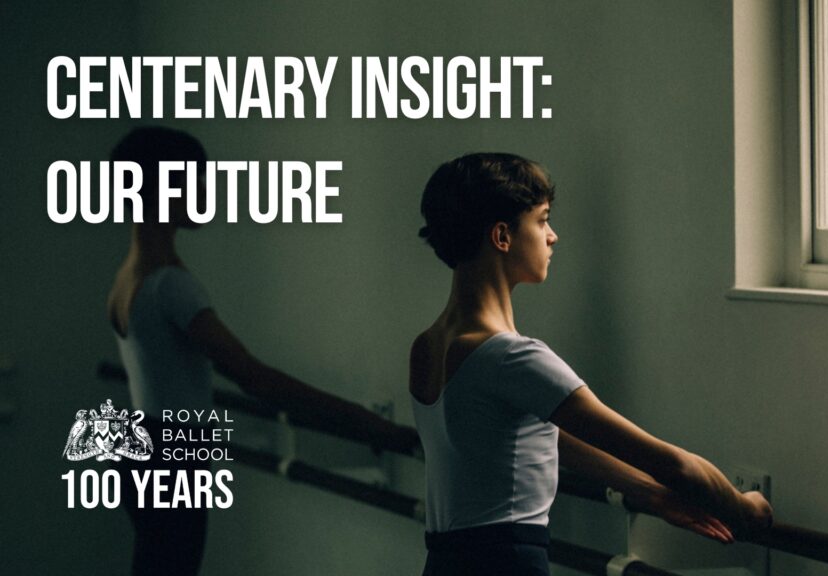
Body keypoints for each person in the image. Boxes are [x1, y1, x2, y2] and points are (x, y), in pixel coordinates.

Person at [409, 153, 773, 576]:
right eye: (542, 220)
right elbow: (673, 463)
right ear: (503, 236)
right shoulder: (511, 357)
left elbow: (531, 436)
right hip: (505, 564)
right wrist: (742, 508)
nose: (553, 237)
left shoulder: (429, 346)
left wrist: (648, 494)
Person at [106, 127, 419, 576]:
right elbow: (256, 379)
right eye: (197, 179)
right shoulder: (170, 287)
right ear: (166, 188)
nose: (206, 191)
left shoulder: (126, 279)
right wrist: (371, 425)